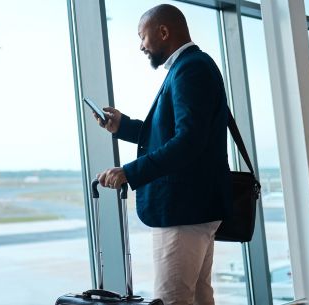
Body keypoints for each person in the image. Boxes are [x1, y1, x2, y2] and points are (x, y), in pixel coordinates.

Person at [95, 4, 231, 305]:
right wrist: (123, 126)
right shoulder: (192, 67)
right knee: (197, 297)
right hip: (195, 207)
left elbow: (188, 141)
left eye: (142, 37)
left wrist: (131, 172)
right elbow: (173, 134)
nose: (141, 46)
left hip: (183, 209)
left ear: (164, 32)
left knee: (173, 300)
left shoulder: (191, 69)